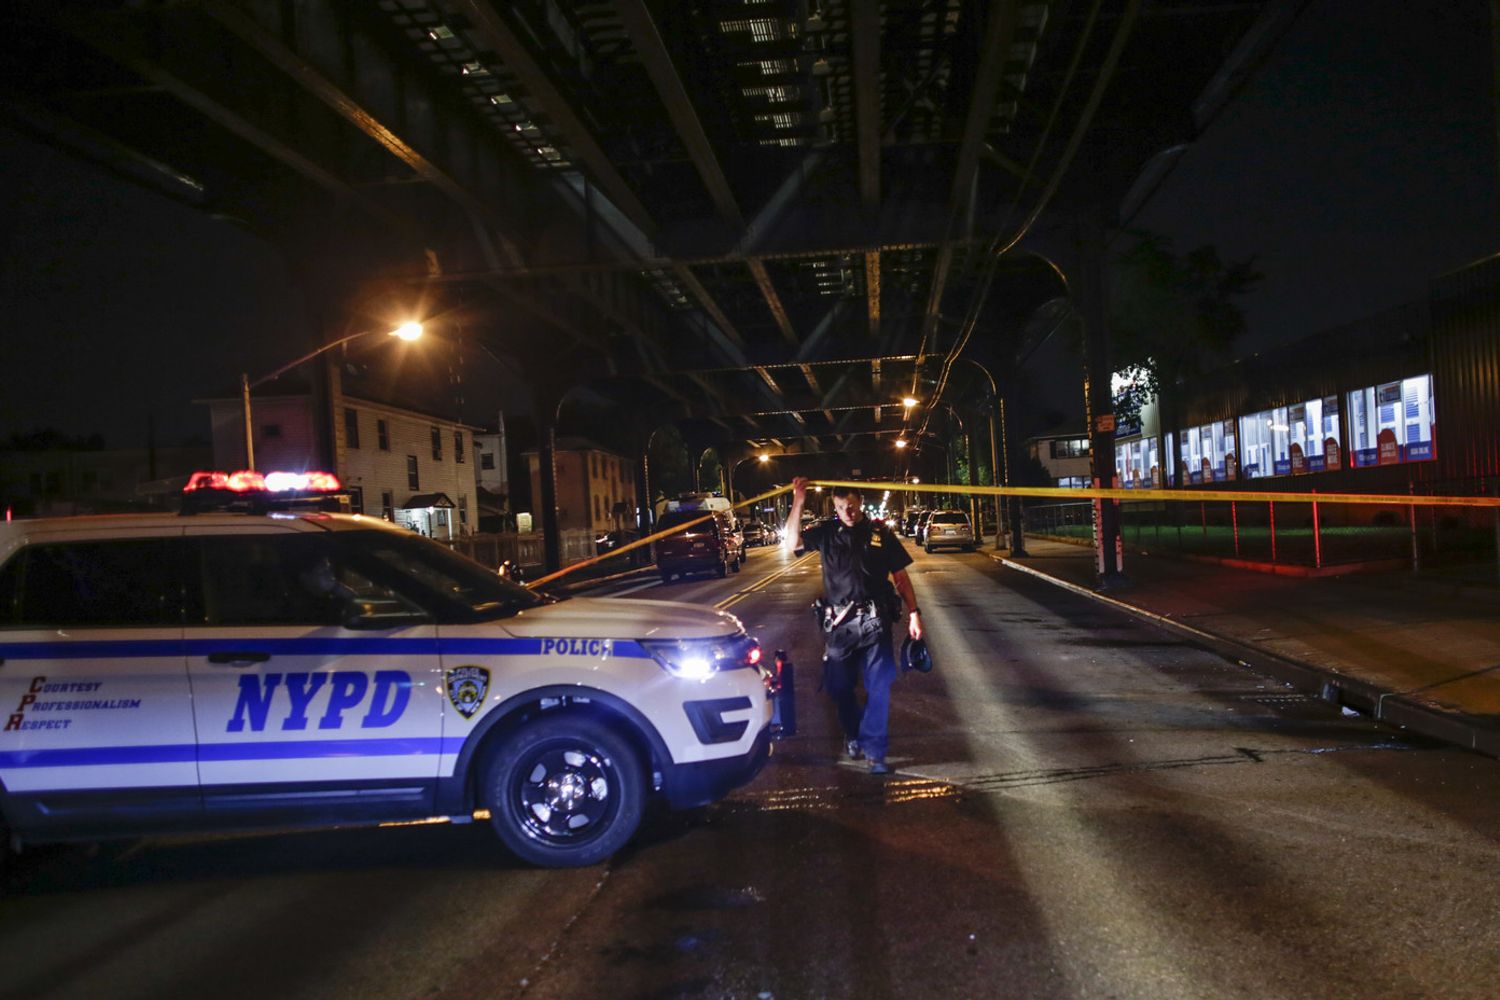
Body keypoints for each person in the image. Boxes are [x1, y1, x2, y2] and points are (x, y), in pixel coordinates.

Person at [784, 477, 923, 775]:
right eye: (841, 506)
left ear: (860, 502)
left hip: (875, 623)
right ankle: (853, 732)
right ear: (834, 506)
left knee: (879, 686)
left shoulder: (880, 534)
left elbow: (900, 577)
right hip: (839, 628)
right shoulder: (826, 534)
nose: (847, 511)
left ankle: (875, 752)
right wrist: (799, 499)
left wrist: (914, 612)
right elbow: (791, 543)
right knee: (839, 688)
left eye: (852, 505)